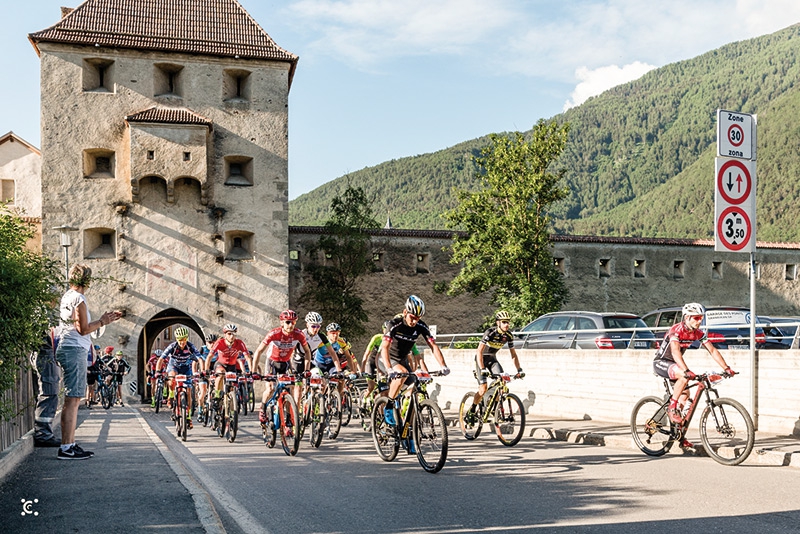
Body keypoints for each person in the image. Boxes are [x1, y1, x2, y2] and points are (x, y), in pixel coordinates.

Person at [55, 264, 122, 460]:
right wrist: (102, 321)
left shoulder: (67, 296)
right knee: (73, 399)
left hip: (69, 348)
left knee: (73, 398)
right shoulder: (79, 299)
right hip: (74, 349)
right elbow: (82, 329)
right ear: (87, 280)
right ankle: (66, 447)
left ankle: (70, 444)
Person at [653, 303, 735, 438]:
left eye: (701, 318)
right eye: (696, 318)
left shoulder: (698, 333)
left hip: (676, 365)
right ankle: (671, 407)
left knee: (685, 395)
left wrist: (726, 368)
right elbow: (675, 352)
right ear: (687, 317)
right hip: (662, 362)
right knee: (684, 377)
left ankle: (678, 433)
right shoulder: (676, 330)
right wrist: (686, 370)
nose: (699, 321)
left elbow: (712, 350)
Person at [380, 295, 449, 426]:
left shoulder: (421, 326)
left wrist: (443, 365)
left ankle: (409, 429)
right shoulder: (394, 324)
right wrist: (389, 368)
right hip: (389, 358)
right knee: (402, 373)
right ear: (405, 312)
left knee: (415, 392)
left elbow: (433, 346)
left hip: (402, 360)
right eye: (412, 317)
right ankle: (388, 406)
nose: (414, 321)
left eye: (417, 318)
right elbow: (385, 347)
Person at [252, 310, 313, 424]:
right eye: (288, 322)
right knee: (271, 388)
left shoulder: (299, 334)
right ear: (282, 323)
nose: (290, 325)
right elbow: (259, 351)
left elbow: (307, 352)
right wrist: (254, 371)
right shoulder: (274, 333)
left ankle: (289, 418)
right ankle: (263, 409)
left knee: (289, 389)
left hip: (286, 362)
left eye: (293, 322)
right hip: (272, 362)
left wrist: (307, 370)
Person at [464, 311, 524, 423]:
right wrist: (482, 368)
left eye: (508, 322)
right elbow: (479, 351)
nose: (507, 324)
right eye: (504, 322)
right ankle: (472, 410)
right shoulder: (490, 332)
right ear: (498, 323)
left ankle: (493, 409)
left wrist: (519, 370)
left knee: (502, 382)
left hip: (492, 360)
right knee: (483, 389)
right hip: (481, 360)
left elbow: (513, 354)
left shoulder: (508, 335)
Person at [158, 326, 203, 428]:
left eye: (184, 339)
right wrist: (157, 371)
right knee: (171, 379)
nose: (182, 342)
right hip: (173, 366)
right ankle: (171, 395)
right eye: (180, 340)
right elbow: (161, 359)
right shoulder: (172, 346)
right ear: (177, 340)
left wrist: (202, 371)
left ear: (187, 339)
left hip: (185, 368)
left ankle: (188, 417)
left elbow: (200, 358)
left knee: (188, 391)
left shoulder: (190, 346)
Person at [31, 328, 61, 447]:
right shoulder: (47, 321)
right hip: (45, 352)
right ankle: (43, 434)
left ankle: (43, 432)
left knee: (45, 393)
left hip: (42, 351)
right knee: (48, 393)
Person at [206, 324, 248, 405]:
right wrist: (206, 370)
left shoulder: (239, 343)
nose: (232, 336)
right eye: (229, 334)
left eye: (234, 334)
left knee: (232, 387)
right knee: (220, 374)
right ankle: (217, 395)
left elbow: (248, 357)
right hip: (221, 364)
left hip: (232, 366)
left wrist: (252, 371)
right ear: (225, 334)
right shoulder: (219, 342)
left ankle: (231, 407)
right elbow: (209, 357)